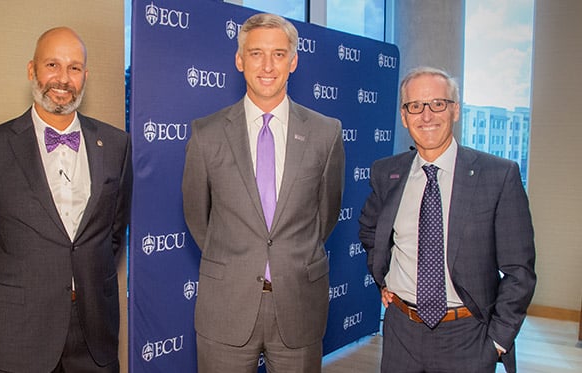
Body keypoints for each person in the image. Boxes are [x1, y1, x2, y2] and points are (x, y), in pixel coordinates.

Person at [0, 27, 132, 373]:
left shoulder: (115, 144)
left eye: (74, 67)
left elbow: (113, 231)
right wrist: (18, 286)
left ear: (85, 76)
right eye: (52, 65)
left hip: (94, 333)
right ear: (32, 70)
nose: (63, 79)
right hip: (20, 332)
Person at [182, 13, 345, 373]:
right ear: (240, 60)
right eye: (256, 53)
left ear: (293, 61)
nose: (267, 65)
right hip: (226, 306)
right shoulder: (206, 133)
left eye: (278, 53)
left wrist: (289, 256)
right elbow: (197, 217)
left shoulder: (325, 133)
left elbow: (326, 215)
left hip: (299, 304)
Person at [358, 66, 536, 373]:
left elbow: (519, 271)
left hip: (468, 337)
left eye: (437, 104)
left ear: (454, 110)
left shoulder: (498, 175)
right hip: (401, 332)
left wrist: (497, 340)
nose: (426, 116)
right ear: (404, 116)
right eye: (415, 106)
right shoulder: (386, 172)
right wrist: (384, 277)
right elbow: (370, 230)